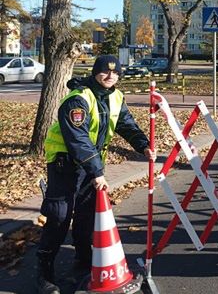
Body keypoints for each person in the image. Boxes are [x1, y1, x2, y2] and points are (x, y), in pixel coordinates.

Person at [36, 55, 156, 294]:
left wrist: (143, 145)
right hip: (65, 162)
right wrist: (97, 171)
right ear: (95, 72)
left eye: (115, 72)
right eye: (104, 71)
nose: (110, 76)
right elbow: (77, 138)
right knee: (59, 215)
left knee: (86, 216)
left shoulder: (116, 97)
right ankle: (44, 272)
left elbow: (126, 124)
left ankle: (83, 262)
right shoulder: (78, 99)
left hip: (91, 166)